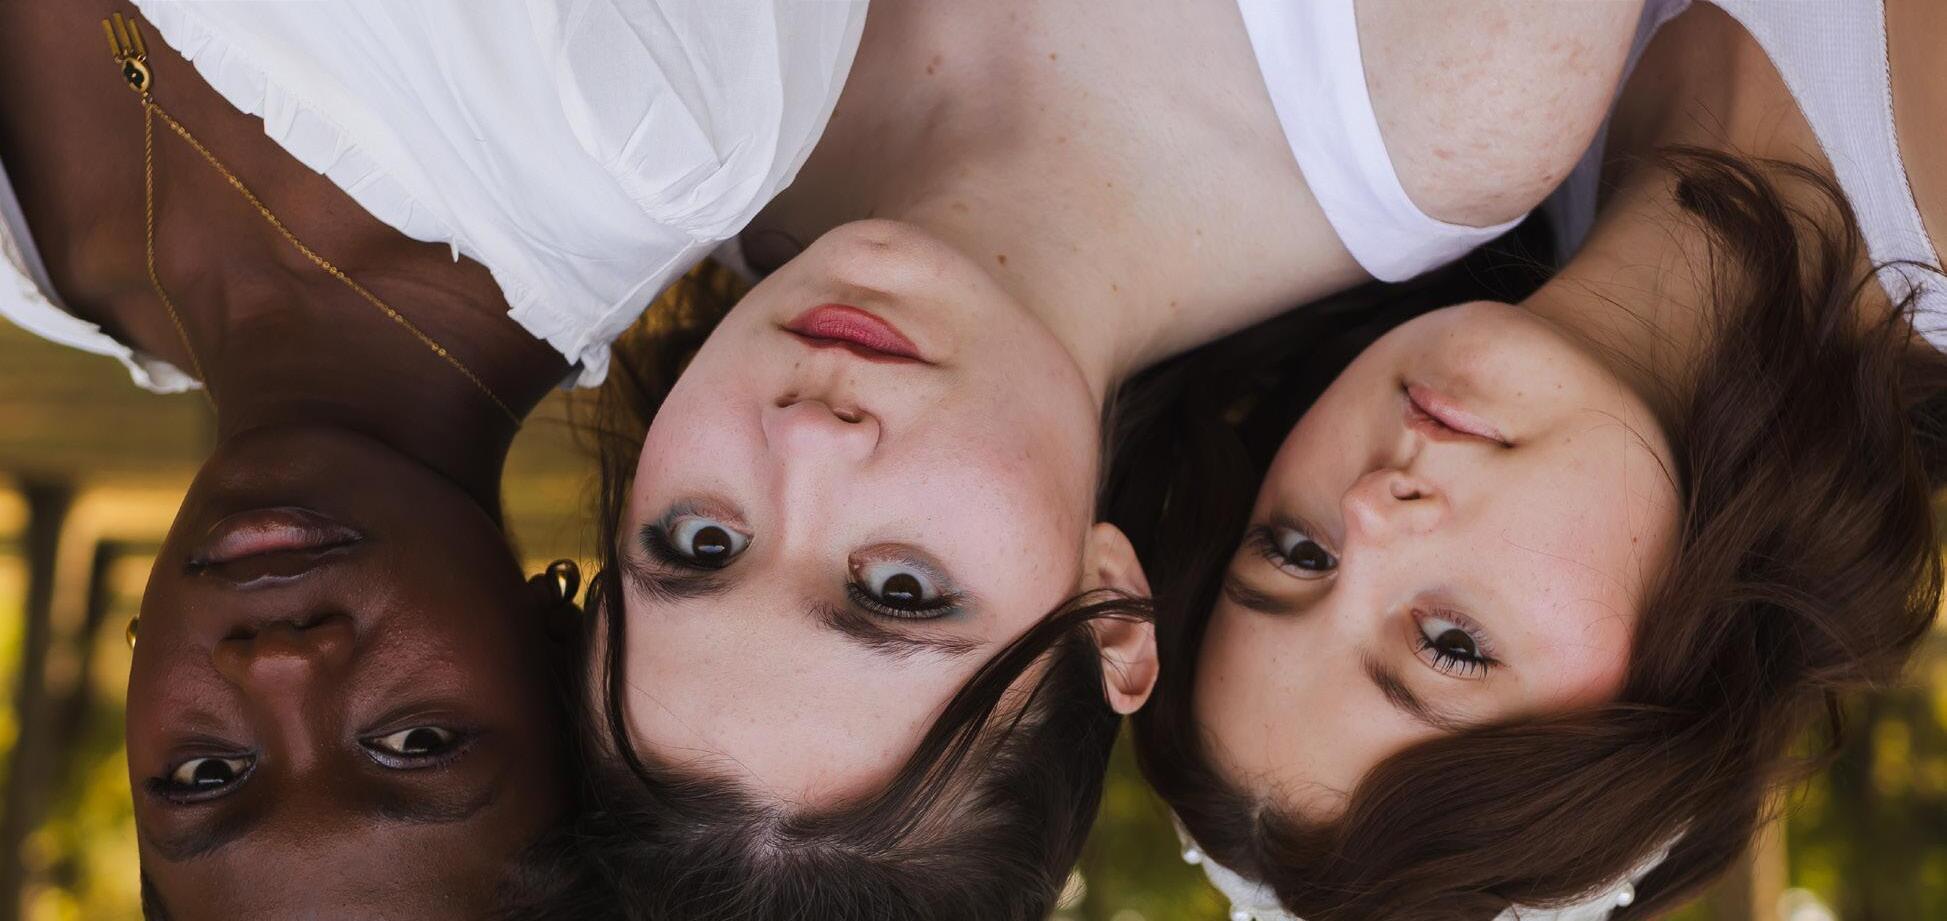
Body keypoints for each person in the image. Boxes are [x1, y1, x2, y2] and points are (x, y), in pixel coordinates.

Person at [518, 2, 1656, 919]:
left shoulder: (613, 95)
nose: (808, 443)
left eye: (701, 542)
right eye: (902, 590)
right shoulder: (1451, 91)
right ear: (1108, 611)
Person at [0, 0, 862, 915]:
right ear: (561, 653)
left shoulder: (28, 276)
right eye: (415, 743)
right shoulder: (656, 121)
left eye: (205, 772)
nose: (279, 665)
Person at [1121, 2, 1947, 919]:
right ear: (1656, 711)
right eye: (1451, 644)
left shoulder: (1452, 85)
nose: (1368, 510)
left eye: (1297, 551)